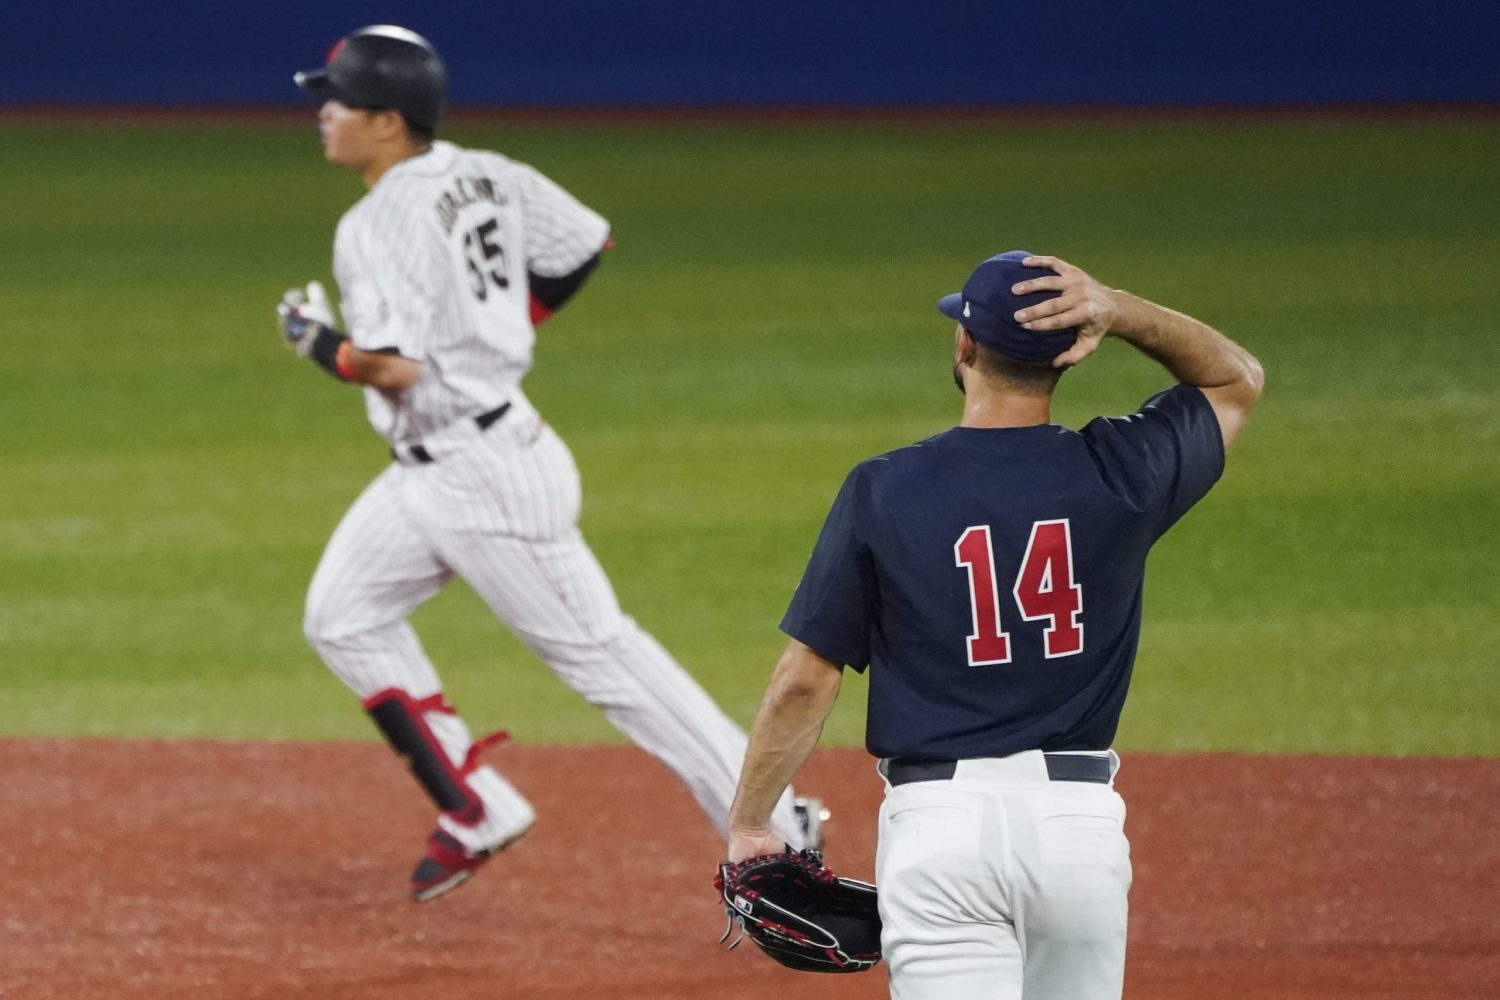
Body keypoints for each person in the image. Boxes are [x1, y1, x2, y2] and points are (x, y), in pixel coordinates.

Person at [277, 24, 819, 903]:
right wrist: (496, 329)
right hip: (437, 467)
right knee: (343, 616)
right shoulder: (489, 171)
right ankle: (476, 807)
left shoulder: (373, 222)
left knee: (610, 664)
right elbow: (581, 245)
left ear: (386, 120)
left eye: (335, 102)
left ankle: (781, 826)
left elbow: (392, 367)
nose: (322, 115)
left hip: (486, 477)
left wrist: (315, 342)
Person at [724, 250, 1264, 998]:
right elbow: (1235, 380)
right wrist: (1118, 309)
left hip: (939, 834)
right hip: (1077, 835)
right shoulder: (1124, 471)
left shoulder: (885, 489)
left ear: (965, 344)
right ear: (1070, 354)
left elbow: (804, 682)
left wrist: (752, 824)